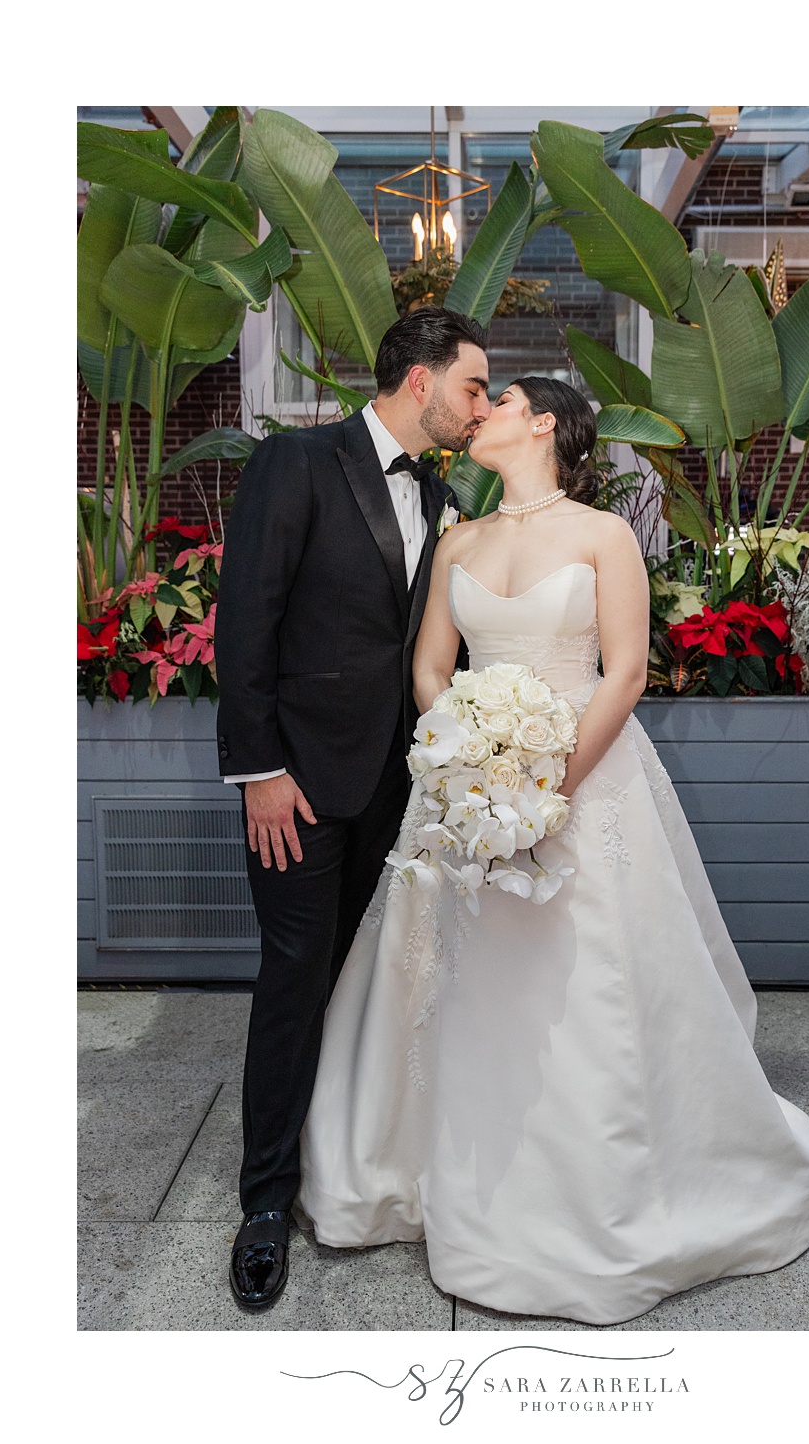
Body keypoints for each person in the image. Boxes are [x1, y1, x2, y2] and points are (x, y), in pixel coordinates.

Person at [297, 377, 809, 1326]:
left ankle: (602, 1190)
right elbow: (430, 664)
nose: (479, 410)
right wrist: (469, 757)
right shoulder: (459, 537)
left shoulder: (600, 534)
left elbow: (624, 668)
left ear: (543, 422)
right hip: (466, 792)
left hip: (587, 776)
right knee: (448, 981)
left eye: (497, 397)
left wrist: (544, 785)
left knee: (590, 987)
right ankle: (431, 1171)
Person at [214, 307, 491, 1310]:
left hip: (399, 786)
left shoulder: (446, 492)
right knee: (294, 976)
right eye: (472, 384)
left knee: (364, 974)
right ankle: (262, 1201)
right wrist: (259, 769)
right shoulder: (297, 463)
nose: (481, 403)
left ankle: (343, 1156)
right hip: (297, 783)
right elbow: (245, 618)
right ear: (418, 381)